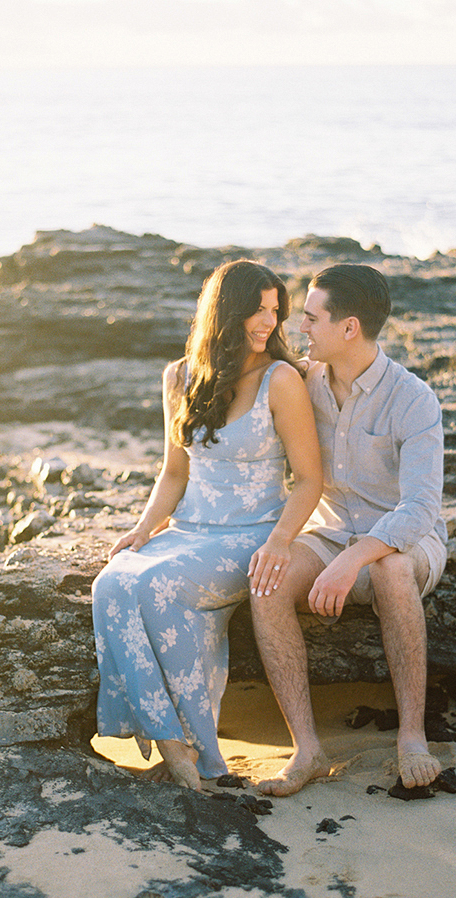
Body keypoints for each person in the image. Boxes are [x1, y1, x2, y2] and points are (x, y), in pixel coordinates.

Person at [92, 259, 322, 791]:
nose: (269, 322)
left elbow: (309, 479)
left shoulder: (281, 380)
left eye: (275, 311)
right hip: (188, 530)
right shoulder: (179, 377)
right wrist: (144, 529)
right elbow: (174, 472)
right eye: (257, 310)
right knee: (112, 582)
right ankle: (172, 741)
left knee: (154, 585)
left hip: (251, 535)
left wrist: (281, 542)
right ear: (225, 312)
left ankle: (196, 752)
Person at [250, 263, 448, 797]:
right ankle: (308, 749)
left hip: (404, 541)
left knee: (390, 566)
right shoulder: (305, 383)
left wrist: (354, 557)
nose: (301, 330)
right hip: (329, 533)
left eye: (311, 319)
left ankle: (411, 737)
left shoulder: (413, 399)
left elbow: (421, 507)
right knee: (265, 582)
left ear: (349, 328)